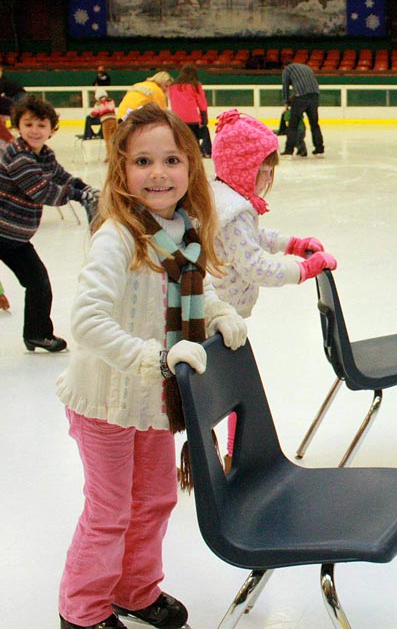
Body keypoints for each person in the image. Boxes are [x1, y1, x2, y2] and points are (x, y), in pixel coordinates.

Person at [55, 103, 247, 629]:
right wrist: (156, 358)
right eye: (142, 161)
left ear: (191, 167)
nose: (158, 173)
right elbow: (88, 321)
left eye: (170, 159)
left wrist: (220, 311)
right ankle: (83, 609)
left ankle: (135, 591)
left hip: (154, 402)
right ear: (122, 172)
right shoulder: (116, 236)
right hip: (106, 401)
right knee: (110, 511)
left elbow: (188, 293)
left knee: (156, 500)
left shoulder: (181, 231)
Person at [209, 109, 337, 469]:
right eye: (264, 167)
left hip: (223, 313)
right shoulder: (234, 212)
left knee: (233, 390)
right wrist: (303, 270)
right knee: (232, 391)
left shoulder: (225, 198)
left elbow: (254, 239)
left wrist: (291, 243)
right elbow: (254, 265)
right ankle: (224, 456)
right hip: (220, 319)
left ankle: (231, 452)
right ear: (243, 166)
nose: (269, 176)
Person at [0, 95, 98, 353]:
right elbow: (42, 191)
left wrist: (85, 187)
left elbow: (62, 177)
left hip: (14, 237)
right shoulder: (17, 155)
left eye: (41, 125)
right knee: (37, 281)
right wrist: (79, 196)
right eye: (29, 124)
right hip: (2, 232)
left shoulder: (45, 155)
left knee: (38, 282)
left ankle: (37, 334)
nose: (35, 130)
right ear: (17, 126)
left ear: (52, 129)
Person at [281, 61, 324, 156]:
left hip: (301, 96)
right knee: (314, 124)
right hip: (314, 95)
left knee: (293, 125)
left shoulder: (287, 69)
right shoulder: (307, 67)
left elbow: (285, 87)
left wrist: (286, 102)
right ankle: (319, 148)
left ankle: (289, 150)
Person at [166, 65, 210, 156]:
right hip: (192, 118)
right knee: (195, 140)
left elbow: (172, 102)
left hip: (177, 119)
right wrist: (204, 119)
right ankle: (204, 152)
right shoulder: (195, 85)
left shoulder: (172, 86)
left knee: (181, 141)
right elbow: (202, 103)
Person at [0, 65, 28, 143]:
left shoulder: (3, 80)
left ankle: (15, 125)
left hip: (20, 94)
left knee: (14, 109)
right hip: (13, 95)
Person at [90, 89, 118, 161]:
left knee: (108, 139)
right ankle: (116, 155)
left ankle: (109, 156)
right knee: (114, 139)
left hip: (106, 121)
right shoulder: (111, 101)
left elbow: (94, 113)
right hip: (114, 120)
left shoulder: (98, 104)